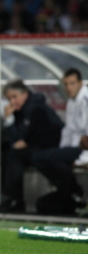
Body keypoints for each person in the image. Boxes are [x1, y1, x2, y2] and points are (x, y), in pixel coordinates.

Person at [2, 79, 64, 212]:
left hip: (49, 148)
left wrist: (9, 122)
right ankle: (12, 198)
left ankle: (16, 200)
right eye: (9, 98)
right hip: (38, 148)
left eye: (14, 97)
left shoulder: (35, 108)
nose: (12, 102)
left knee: (15, 156)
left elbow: (20, 138)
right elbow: (17, 140)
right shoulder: (22, 110)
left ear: (24, 94)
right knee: (8, 153)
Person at [29, 69, 88, 207]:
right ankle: (70, 192)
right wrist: (61, 151)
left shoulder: (85, 100)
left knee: (42, 158)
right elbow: (68, 131)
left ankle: (73, 191)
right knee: (44, 158)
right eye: (66, 84)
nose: (68, 88)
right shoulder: (72, 103)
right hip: (74, 148)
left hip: (82, 150)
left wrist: (81, 158)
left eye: (72, 83)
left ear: (80, 83)